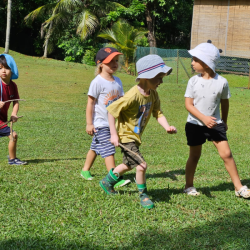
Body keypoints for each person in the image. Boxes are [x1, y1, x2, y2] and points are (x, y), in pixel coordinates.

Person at [99, 54, 177, 209]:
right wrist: (114, 135)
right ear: (147, 77)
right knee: (141, 165)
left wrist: (167, 126)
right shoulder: (132, 95)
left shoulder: (153, 94)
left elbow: (158, 113)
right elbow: (111, 111)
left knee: (128, 164)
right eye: (159, 78)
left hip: (135, 137)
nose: (161, 81)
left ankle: (106, 182)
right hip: (125, 137)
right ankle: (144, 195)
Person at [183, 42, 250, 198]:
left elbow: (224, 102)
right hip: (195, 124)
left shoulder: (222, 82)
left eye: (195, 59)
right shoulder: (193, 81)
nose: (192, 63)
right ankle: (188, 186)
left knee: (227, 154)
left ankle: (238, 187)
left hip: (216, 124)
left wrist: (224, 121)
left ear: (206, 63)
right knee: (194, 155)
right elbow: (188, 104)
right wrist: (204, 118)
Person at [81, 47, 131, 188]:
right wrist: (89, 123)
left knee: (96, 147)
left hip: (113, 123)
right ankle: (114, 177)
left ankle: (85, 170)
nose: (115, 64)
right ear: (101, 64)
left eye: (116, 61)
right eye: (110, 62)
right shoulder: (97, 82)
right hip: (100, 123)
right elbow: (90, 103)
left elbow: (121, 101)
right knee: (109, 149)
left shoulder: (118, 81)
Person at [0, 54, 27, 165]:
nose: (3, 71)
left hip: (2, 119)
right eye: (0, 68)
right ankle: (12, 159)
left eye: (6, 68)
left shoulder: (13, 86)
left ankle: (12, 158)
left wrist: (14, 113)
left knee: (13, 136)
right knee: (13, 135)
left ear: (12, 70)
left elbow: (16, 101)